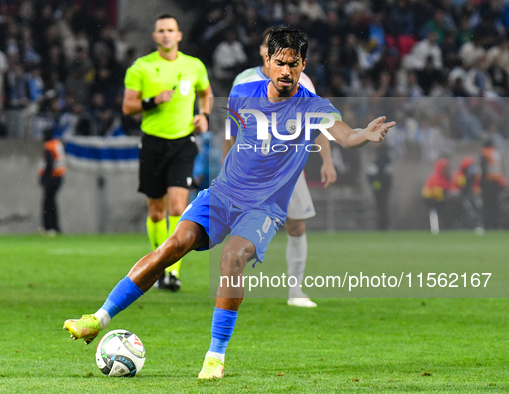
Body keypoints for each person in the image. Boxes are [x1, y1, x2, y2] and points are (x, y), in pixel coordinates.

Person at [64, 27, 393, 379]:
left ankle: (215, 357)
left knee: (232, 258)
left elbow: (344, 135)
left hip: (263, 208)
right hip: (222, 195)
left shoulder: (313, 107)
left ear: (304, 65)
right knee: (173, 245)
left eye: (294, 65)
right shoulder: (242, 94)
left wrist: (363, 136)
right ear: (266, 61)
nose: (286, 71)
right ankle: (97, 319)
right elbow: (232, 138)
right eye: (279, 63)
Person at [229, 26, 337, 308]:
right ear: (264, 53)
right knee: (234, 230)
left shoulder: (305, 83)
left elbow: (319, 123)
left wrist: (327, 160)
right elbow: (233, 127)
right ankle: (230, 286)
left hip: (288, 170)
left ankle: (295, 290)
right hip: (249, 171)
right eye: (269, 47)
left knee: (297, 226)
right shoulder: (244, 81)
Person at [121, 13, 213, 291]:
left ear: (179, 35)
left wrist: (204, 114)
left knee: (177, 207)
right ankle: (160, 265)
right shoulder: (141, 67)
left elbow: (206, 93)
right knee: (157, 213)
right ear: (155, 36)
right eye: (160, 30)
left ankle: (171, 272)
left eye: (170, 30)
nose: (165, 34)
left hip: (183, 143)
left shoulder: (194, 66)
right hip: (152, 143)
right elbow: (128, 107)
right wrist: (152, 101)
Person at [38, 128, 66, 235]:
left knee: (48, 202)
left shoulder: (49, 145)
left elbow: (49, 163)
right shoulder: (57, 144)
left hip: (53, 177)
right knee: (50, 201)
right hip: (59, 175)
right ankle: (51, 226)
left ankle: (50, 226)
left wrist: (45, 178)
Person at [480, 140, 507, 229]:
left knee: (488, 205)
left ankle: (488, 225)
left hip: (488, 183)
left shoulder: (484, 153)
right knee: (495, 205)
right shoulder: (496, 153)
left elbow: (483, 170)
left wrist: (481, 183)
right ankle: (496, 224)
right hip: (496, 182)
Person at [422, 158, 453, 234]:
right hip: (434, 201)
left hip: (443, 201)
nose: (447, 170)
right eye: (445, 168)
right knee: (434, 214)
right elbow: (430, 193)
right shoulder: (434, 178)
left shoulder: (447, 178)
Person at [367, 144, 392, 230]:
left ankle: (383, 226)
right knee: (381, 206)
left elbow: (379, 170)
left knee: (382, 205)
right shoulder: (381, 154)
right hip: (380, 184)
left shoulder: (382, 155)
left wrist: (375, 181)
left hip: (381, 185)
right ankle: (382, 225)